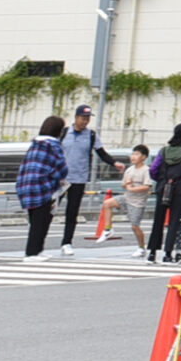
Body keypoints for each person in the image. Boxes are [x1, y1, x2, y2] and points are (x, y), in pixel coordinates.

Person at [58, 103, 110, 255]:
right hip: (60, 179)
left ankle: (67, 242)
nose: (85, 121)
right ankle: (39, 241)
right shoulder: (63, 133)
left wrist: (114, 163)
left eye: (87, 118)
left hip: (79, 179)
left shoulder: (92, 135)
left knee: (72, 212)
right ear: (76, 117)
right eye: (83, 118)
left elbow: (102, 153)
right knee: (49, 209)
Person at [18, 114, 70, 260]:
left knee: (35, 220)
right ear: (58, 131)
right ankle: (32, 252)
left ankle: (38, 250)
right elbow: (62, 169)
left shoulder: (34, 145)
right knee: (42, 221)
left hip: (26, 186)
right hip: (43, 187)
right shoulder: (53, 146)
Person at [150, 124, 181, 263]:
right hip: (179, 190)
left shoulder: (164, 151)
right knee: (173, 222)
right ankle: (167, 254)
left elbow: (153, 169)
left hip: (162, 187)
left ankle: (152, 253)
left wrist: (161, 180)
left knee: (158, 221)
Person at [122, 145, 157, 256]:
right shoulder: (129, 170)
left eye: (137, 154)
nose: (133, 157)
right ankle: (107, 230)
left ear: (144, 157)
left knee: (135, 226)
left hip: (138, 202)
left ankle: (141, 248)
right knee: (108, 204)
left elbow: (147, 186)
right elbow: (123, 184)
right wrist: (127, 184)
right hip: (127, 197)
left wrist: (131, 188)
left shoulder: (146, 170)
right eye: (133, 154)